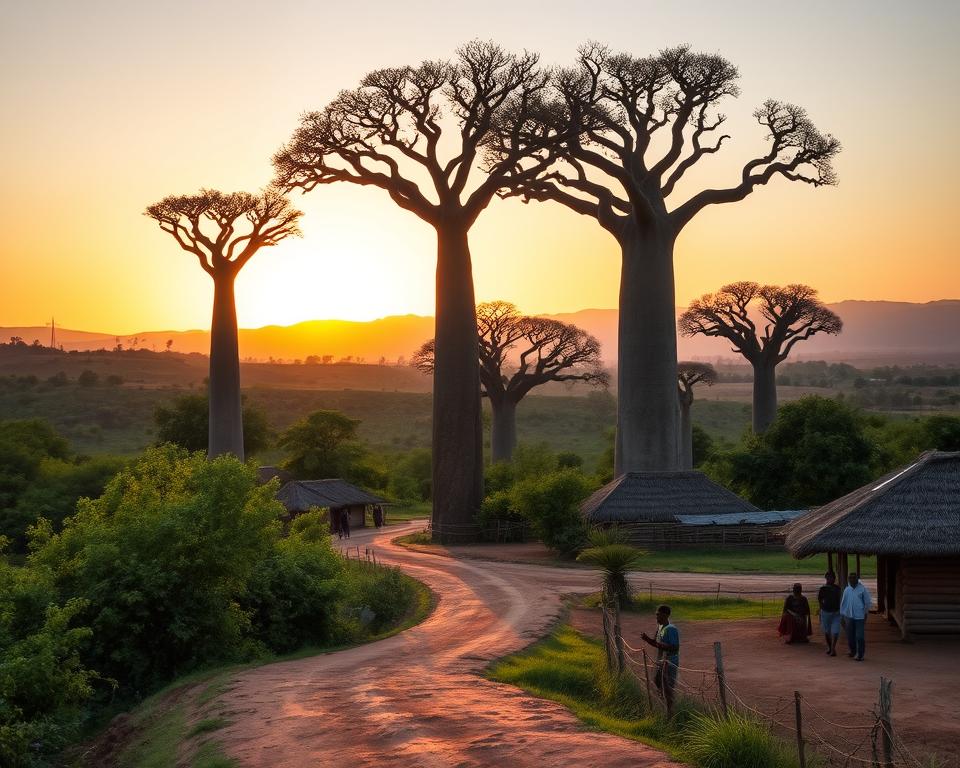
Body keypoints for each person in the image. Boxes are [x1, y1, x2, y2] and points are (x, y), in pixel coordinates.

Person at [641, 604, 680, 716]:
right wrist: (647, 639)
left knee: (667, 687)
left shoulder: (671, 629)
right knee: (658, 681)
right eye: (656, 615)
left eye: (659, 615)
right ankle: (666, 707)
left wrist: (660, 645)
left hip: (670, 662)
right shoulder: (660, 627)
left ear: (666, 615)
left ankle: (670, 712)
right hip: (661, 662)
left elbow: (674, 647)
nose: (657, 617)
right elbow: (656, 643)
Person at [840, 571, 871, 661]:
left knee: (859, 636)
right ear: (848, 579)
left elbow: (867, 602)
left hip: (860, 617)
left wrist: (865, 613)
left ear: (857, 579)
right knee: (850, 636)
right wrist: (842, 615)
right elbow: (843, 603)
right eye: (850, 578)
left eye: (854, 578)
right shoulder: (847, 590)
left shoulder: (862, 589)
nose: (852, 579)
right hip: (849, 616)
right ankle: (853, 651)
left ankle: (860, 655)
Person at [817, 571, 842, 656]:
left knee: (835, 631)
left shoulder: (837, 589)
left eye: (831, 578)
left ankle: (833, 648)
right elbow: (820, 600)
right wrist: (821, 609)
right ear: (826, 578)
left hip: (836, 612)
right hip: (825, 612)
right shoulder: (823, 589)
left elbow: (840, 600)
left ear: (834, 579)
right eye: (828, 578)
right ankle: (830, 647)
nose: (830, 579)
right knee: (827, 631)